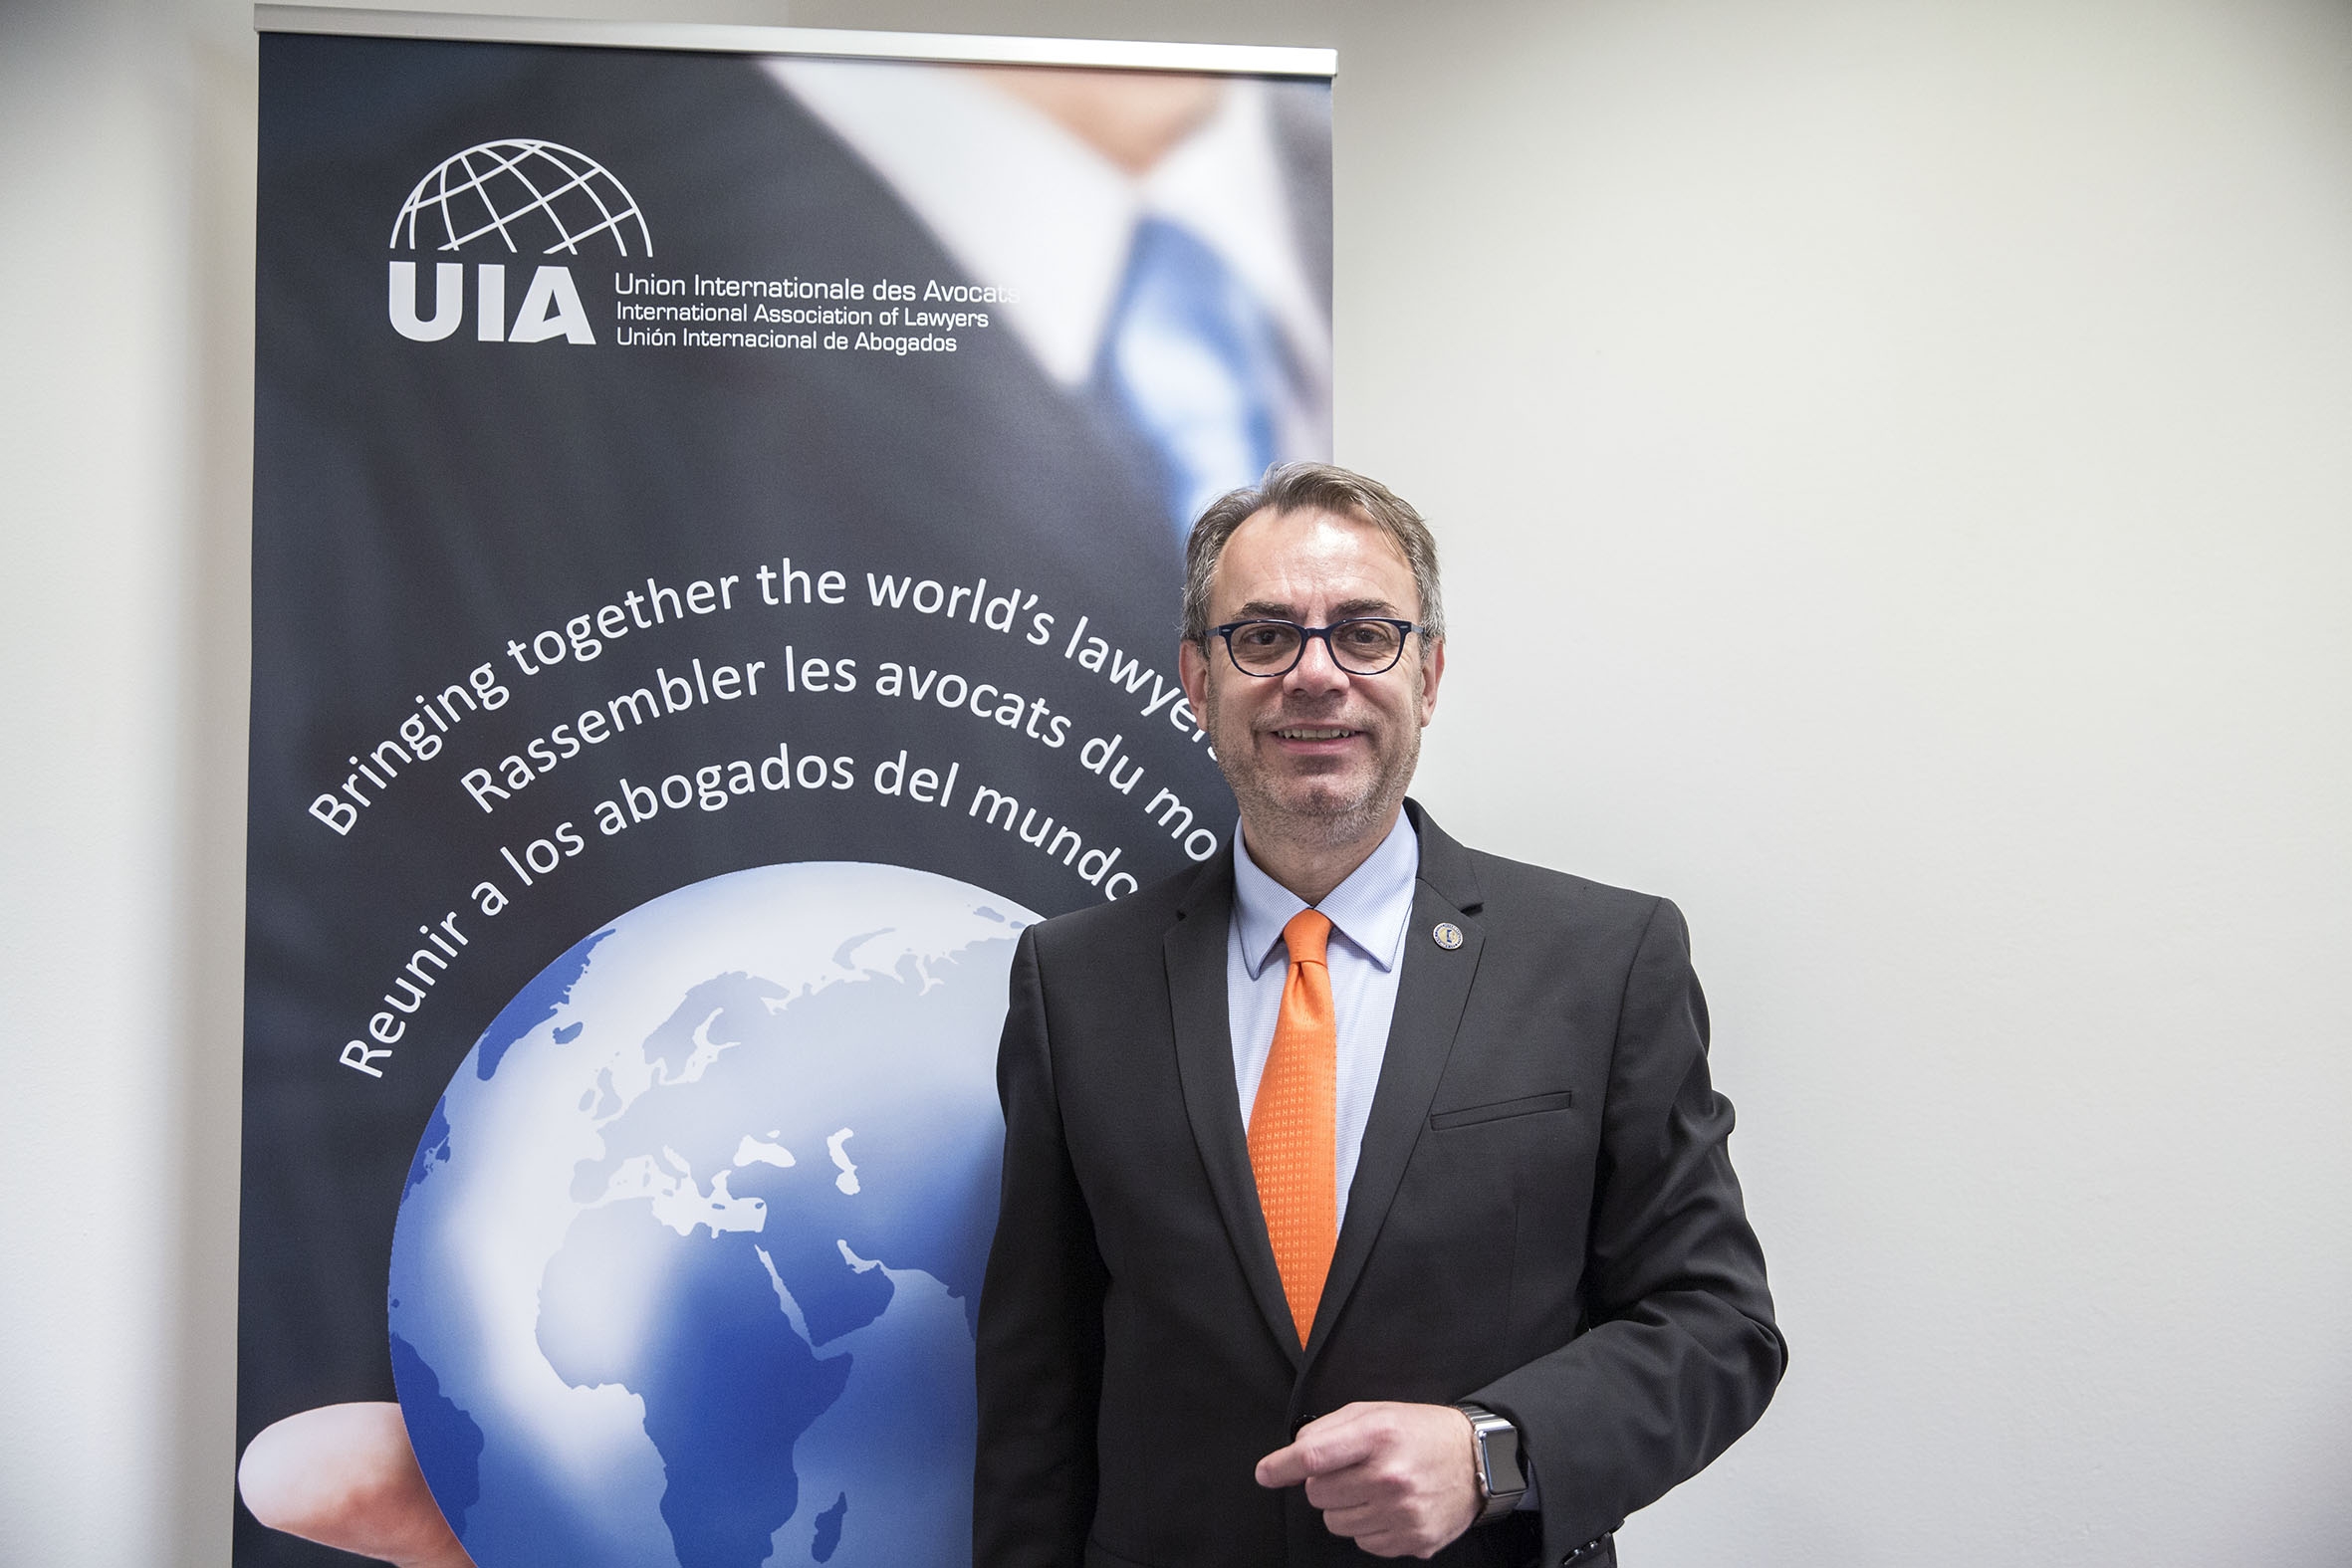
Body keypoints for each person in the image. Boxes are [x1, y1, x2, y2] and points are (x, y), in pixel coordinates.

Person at [974, 463, 1785, 1567]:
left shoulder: (1605, 962)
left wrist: (1496, 1450)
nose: (1316, 674)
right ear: (1198, 680)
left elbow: (1718, 1325)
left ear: (1428, 673)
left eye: (1364, 634)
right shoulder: (1072, 982)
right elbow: (1038, 1391)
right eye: (1264, 636)